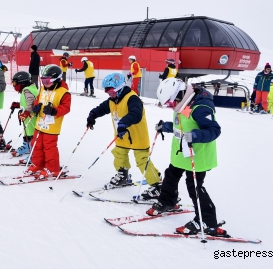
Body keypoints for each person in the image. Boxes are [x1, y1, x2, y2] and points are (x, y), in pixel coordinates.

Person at [147, 78, 226, 237]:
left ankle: (207, 221)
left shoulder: (201, 107)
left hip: (197, 156)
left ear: (179, 94)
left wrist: (196, 135)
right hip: (182, 153)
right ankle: (167, 201)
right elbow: (181, 125)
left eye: (170, 102)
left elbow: (214, 130)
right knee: (171, 175)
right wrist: (167, 126)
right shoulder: (183, 103)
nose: (170, 106)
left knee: (194, 185)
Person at [86, 72, 162, 197]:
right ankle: (123, 175)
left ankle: (157, 185)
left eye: (111, 92)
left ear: (120, 88)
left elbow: (136, 114)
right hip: (122, 135)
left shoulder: (132, 98)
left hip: (138, 136)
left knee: (142, 161)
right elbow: (101, 108)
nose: (109, 95)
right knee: (119, 155)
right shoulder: (112, 100)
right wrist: (92, 115)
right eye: (107, 93)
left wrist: (123, 123)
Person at [24, 65, 71, 178]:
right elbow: (38, 100)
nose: (45, 83)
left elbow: (66, 108)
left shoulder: (64, 92)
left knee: (49, 147)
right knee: (36, 145)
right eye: (43, 80)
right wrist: (36, 107)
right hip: (40, 124)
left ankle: (52, 168)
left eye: (47, 80)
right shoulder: (43, 89)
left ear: (56, 79)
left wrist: (55, 111)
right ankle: (38, 164)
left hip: (52, 126)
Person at [11, 71, 39, 157]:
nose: (14, 85)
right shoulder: (28, 89)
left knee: (31, 133)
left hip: (31, 116)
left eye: (15, 83)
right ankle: (27, 147)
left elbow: (30, 102)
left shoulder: (27, 90)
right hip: (29, 116)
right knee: (27, 132)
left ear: (22, 82)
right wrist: (19, 104)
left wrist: (26, 112)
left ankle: (34, 150)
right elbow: (28, 102)